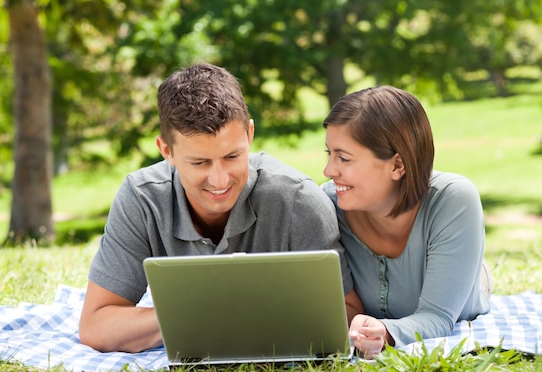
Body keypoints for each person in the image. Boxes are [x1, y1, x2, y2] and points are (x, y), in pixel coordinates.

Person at [79, 62, 360, 353]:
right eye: (199, 162)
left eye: (232, 156)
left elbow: (347, 312)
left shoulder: (299, 201)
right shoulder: (142, 198)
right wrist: (206, 314)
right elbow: (96, 325)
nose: (219, 180)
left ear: (249, 134)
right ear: (167, 151)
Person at [321, 86, 492, 358]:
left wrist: (386, 333)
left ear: (397, 165)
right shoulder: (326, 205)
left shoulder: (454, 200)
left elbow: (437, 317)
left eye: (343, 158)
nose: (329, 170)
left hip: (464, 291)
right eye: (329, 154)